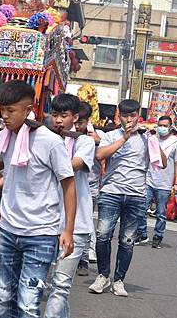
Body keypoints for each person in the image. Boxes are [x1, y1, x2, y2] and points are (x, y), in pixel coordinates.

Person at [0, 80, 77, 318]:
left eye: (10, 110)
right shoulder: (7, 136)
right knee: (5, 299)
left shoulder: (50, 142)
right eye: (2, 109)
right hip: (8, 230)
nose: (4, 116)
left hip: (40, 234)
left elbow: (69, 185)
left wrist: (68, 230)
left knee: (27, 304)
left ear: (28, 109)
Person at [88, 99, 167, 297]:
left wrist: (154, 141)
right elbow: (99, 155)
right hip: (111, 192)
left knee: (127, 239)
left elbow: (162, 163)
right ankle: (103, 275)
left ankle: (119, 279)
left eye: (133, 116)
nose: (129, 120)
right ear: (119, 115)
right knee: (103, 234)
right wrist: (123, 138)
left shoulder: (146, 138)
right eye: (125, 116)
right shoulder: (110, 135)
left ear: (138, 115)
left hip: (136, 195)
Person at [45, 94, 95, 318]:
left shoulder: (83, 142)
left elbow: (72, 165)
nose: (58, 120)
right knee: (41, 283)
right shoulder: (45, 138)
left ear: (75, 118)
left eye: (63, 116)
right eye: (54, 115)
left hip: (76, 226)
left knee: (61, 286)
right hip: (46, 222)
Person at [135, 116, 177, 249]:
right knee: (141, 208)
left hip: (164, 183)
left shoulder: (175, 142)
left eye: (165, 125)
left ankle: (158, 236)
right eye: (160, 125)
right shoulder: (152, 138)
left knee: (161, 213)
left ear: (170, 127)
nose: (162, 128)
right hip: (149, 179)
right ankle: (142, 234)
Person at [75, 101, 103, 275]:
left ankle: (84, 259)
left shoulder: (95, 137)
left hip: (90, 184)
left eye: (81, 122)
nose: (77, 126)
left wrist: (97, 140)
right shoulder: (66, 135)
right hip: (69, 183)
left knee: (85, 221)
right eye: (75, 121)